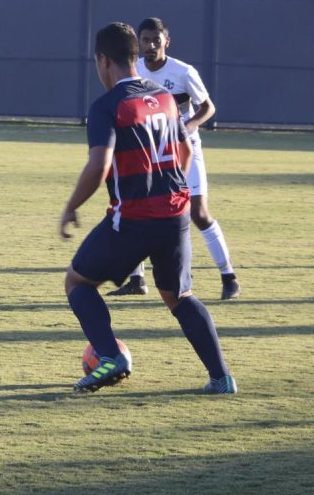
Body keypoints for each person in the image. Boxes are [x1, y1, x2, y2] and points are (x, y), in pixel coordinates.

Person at [60, 22, 236, 394]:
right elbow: (186, 150)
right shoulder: (166, 97)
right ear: (135, 57)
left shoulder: (108, 106)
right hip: (175, 214)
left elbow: (99, 165)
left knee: (77, 281)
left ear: (103, 60)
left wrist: (71, 206)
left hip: (134, 218)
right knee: (179, 297)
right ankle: (222, 378)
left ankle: (109, 356)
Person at [108, 17, 240, 300]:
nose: (151, 45)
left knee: (198, 212)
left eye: (157, 40)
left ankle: (229, 276)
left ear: (166, 42)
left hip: (183, 149)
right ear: (138, 42)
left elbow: (208, 107)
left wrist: (188, 127)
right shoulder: (135, 70)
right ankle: (137, 279)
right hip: (149, 151)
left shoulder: (183, 72)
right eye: (145, 40)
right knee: (137, 206)